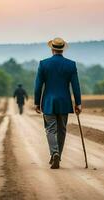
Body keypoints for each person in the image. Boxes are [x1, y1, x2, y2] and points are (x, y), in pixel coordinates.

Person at [34, 37, 82, 169]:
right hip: (64, 102)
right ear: (62, 49)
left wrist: (37, 102)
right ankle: (58, 156)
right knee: (62, 130)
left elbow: (38, 86)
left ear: (52, 49)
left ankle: (54, 153)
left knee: (50, 129)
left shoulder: (43, 64)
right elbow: (76, 86)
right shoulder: (71, 64)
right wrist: (78, 103)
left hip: (48, 101)